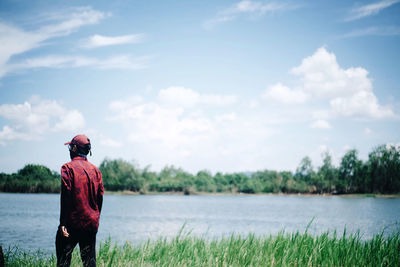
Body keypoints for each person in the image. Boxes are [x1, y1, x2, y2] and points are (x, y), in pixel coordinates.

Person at [55, 134, 104, 267]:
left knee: (63, 261)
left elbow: (66, 196)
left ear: (75, 148)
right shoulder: (96, 171)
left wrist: (62, 223)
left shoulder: (68, 168)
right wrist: (96, 218)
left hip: (72, 224)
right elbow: (100, 198)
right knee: (90, 263)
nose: (70, 149)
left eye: (70, 146)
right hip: (91, 223)